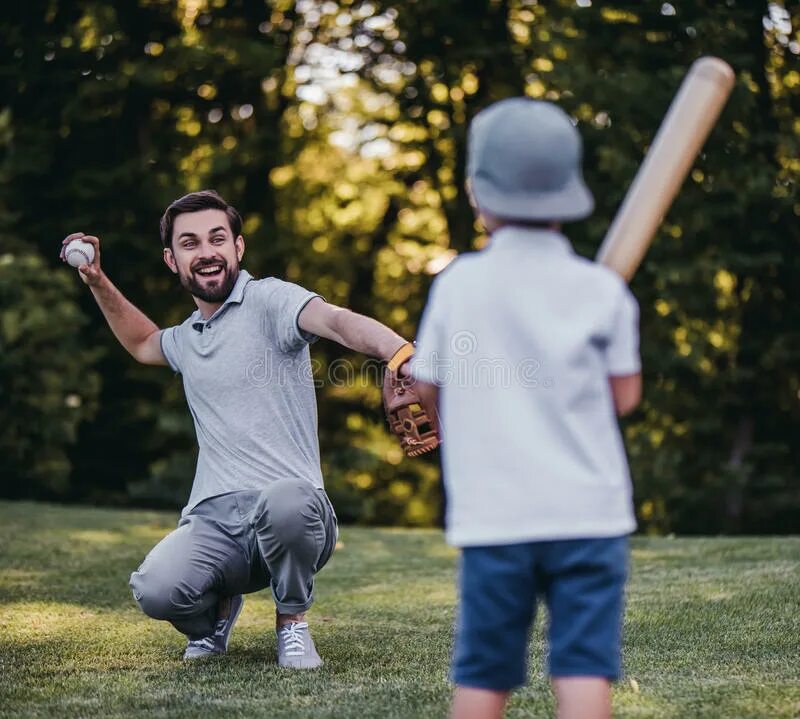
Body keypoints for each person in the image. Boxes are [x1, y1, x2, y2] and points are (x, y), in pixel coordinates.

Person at [61, 190, 412, 667]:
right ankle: (216, 616)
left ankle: (292, 622)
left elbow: (337, 321)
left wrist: (400, 351)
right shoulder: (187, 339)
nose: (205, 251)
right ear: (172, 259)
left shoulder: (270, 299)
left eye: (216, 238)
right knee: (155, 589)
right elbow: (143, 341)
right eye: (190, 243)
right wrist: (97, 279)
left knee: (284, 501)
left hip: (295, 511)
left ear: (237, 248)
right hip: (215, 520)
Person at [410, 98, 642, 719]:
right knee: (583, 667)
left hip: (498, 518)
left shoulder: (457, 284)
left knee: (485, 672)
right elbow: (624, 397)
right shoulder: (603, 290)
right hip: (589, 516)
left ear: (476, 194)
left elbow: (429, 389)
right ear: (572, 192)